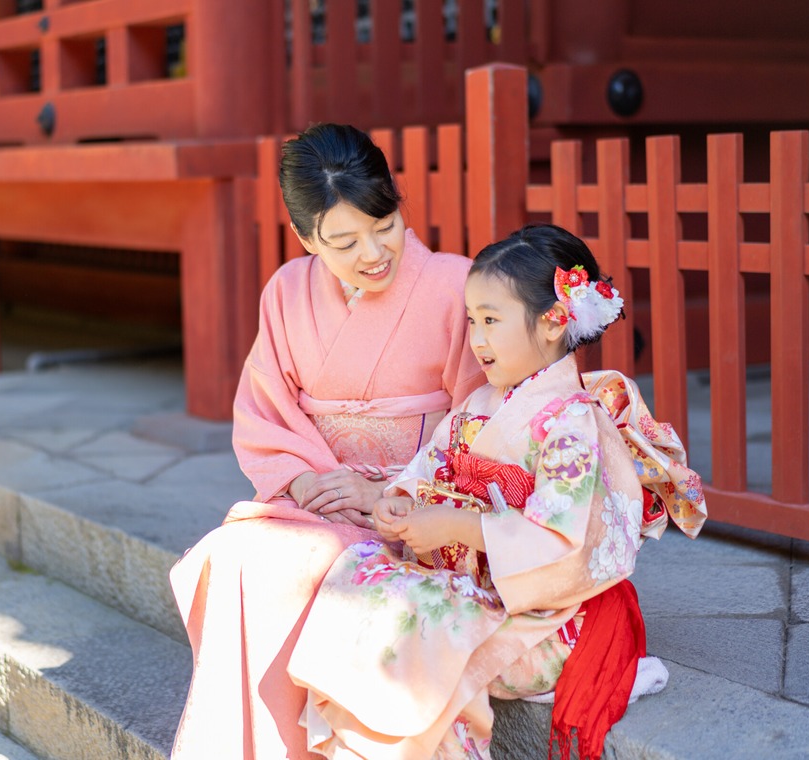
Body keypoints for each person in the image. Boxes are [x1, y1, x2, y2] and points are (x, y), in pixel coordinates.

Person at [287, 224, 707, 760]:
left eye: (490, 321)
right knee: (360, 581)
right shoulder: (481, 403)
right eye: (471, 321)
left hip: (551, 616)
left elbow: (563, 542)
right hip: (479, 585)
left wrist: (455, 525)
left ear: (554, 321)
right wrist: (397, 503)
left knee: (410, 629)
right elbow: (429, 470)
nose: (476, 340)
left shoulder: (573, 421)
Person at [169, 123, 488, 759]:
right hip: (320, 499)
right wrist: (310, 482)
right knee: (232, 556)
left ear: (398, 202)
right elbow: (266, 409)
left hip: (419, 512)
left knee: (283, 566)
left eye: (385, 225)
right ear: (306, 238)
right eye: (344, 242)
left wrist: (388, 495)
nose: (374, 252)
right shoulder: (287, 292)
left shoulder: (458, 284)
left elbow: (482, 418)